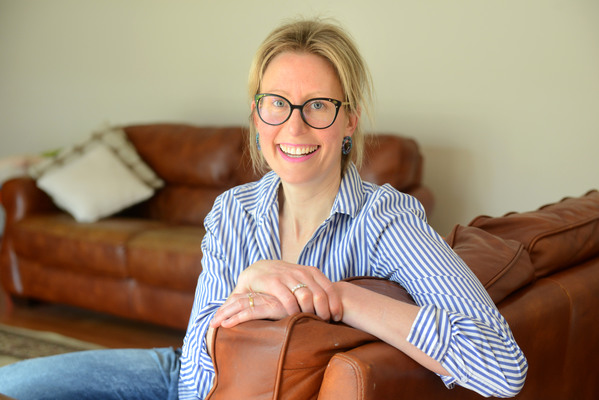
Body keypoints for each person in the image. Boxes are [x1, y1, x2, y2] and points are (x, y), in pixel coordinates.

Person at [0, 18, 527, 400]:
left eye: (318, 105)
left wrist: (338, 297)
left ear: (349, 122)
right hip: (195, 373)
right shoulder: (232, 211)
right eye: (276, 103)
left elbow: (502, 367)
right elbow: (195, 376)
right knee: (14, 383)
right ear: (257, 117)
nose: (293, 127)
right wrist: (245, 285)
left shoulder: (386, 219)